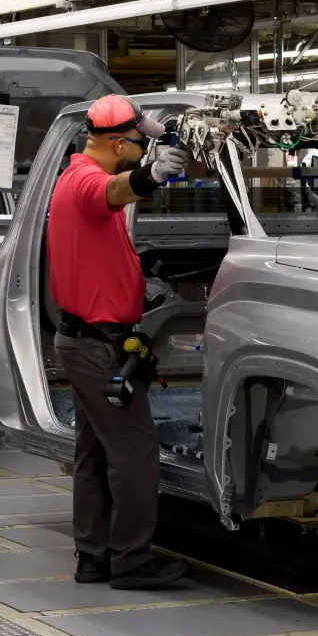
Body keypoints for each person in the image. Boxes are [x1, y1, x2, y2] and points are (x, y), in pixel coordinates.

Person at [48, 94, 191, 587]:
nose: (139, 148)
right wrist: (150, 175)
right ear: (114, 142)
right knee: (135, 450)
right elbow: (111, 193)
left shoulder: (72, 175)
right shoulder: (86, 180)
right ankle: (131, 560)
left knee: (94, 451)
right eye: (134, 142)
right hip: (97, 347)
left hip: (86, 340)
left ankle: (93, 556)